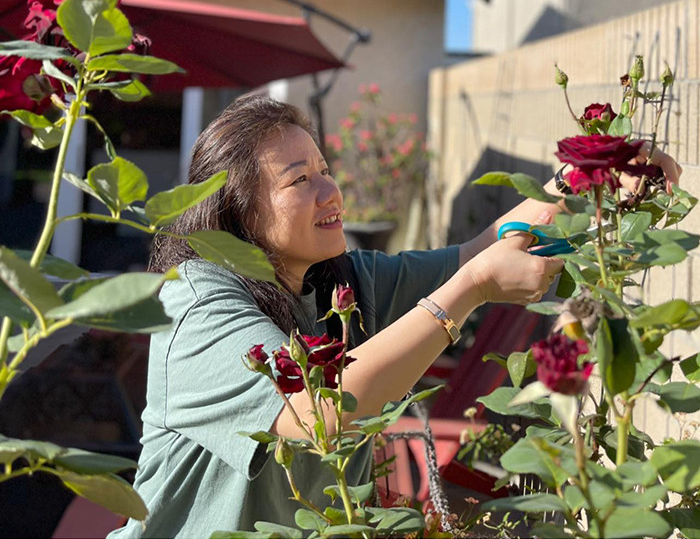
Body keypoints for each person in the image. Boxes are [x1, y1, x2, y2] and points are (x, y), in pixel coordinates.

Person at [109, 95, 679, 539]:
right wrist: (471, 290)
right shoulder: (197, 303)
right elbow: (315, 418)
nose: (330, 191)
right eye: (298, 180)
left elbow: (478, 249)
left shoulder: (339, 281)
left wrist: (591, 172)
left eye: (324, 169)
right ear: (237, 209)